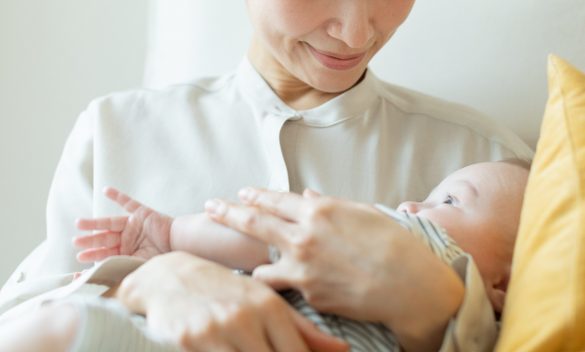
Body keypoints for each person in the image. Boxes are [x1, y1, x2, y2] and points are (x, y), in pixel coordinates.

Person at [0, 1, 534, 351]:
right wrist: (146, 284)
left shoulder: (491, 167)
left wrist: (439, 312)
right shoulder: (116, 130)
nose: (354, 32)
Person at [65, 160, 528, 351]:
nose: (412, 206)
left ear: (503, 284)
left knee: (63, 330)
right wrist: (163, 274)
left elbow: (262, 234)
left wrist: (172, 233)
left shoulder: (418, 240)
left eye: (450, 202)